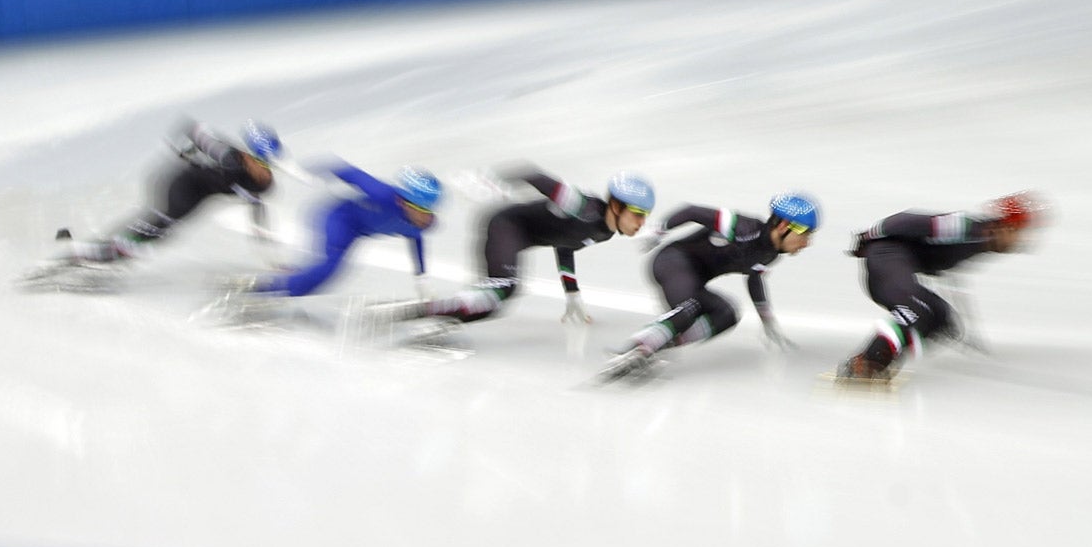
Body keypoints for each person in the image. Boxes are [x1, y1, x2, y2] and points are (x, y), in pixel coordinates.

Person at [376, 166, 655, 330]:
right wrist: (492, 183)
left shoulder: (605, 232)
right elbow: (533, 175)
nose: (642, 222)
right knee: (503, 289)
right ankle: (424, 311)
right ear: (616, 207)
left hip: (517, 236)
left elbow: (566, 244)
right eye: (638, 213)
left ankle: (433, 317)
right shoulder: (583, 206)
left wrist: (572, 293)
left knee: (492, 305)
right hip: (506, 226)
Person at [597, 192, 819, 382]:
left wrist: (767, 319)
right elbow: (691, 211)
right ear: (783, 226)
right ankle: (638, 345)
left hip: (693, 281)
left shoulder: (771, 254)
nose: (807, 242)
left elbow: (754, 279)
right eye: (805, 233)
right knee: (692, 305)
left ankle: (656, 345)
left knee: (727, 313)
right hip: (672, 262)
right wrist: (659, 230)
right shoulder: (743, 227)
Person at [833, 194, 1042, 384]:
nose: (1023, 240)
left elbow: (940, 258)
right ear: (1006, 227)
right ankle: (866, 362)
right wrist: (871, 235)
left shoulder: (983, 240)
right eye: (1021, 233)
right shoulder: (966, 228)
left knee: (941, 319)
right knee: (918, 312)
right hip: (885, 257)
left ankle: (880, 360)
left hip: (896, 264)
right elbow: (908, 220)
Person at [53, 121, 282, 267]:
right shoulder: (227, 155)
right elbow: (193, 130)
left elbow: (257, 207)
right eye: (259, 160)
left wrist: (267, 252)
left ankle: (97, 253)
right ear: (248, 154)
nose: (263, 168)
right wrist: (184, 152)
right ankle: (87, 253)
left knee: (154, 236)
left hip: (196, 196)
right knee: (149, 233)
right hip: (181, 185)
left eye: (269, 164)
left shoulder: (263, 183)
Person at [242, 162, 440, 302]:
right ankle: (262, 291)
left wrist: (422, 278)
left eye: (428, 211)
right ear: (402, 200)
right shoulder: (384, 194)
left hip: (356, 232)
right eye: (419, 209)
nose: (423, 217)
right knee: (327, 267)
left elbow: (416, 239)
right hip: (338, 218)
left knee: (320, 281)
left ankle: (279, 286)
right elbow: (349, 172)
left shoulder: (420, 224)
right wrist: (309, 173)